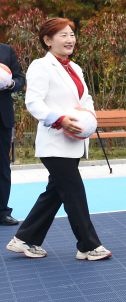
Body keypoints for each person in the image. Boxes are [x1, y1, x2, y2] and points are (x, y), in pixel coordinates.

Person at [5, 18, 111, 260]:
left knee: (55, 192)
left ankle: (24, 239)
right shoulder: (40, 67)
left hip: (74, 141)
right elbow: (33, 102)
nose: (70, 39)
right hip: (54, 143)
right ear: (47, 41)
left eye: (71, 34)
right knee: (74, 192)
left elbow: (86, 100)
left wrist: (90, 119)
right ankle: (88, 245)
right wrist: (59, 120)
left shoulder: (76, 68)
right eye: (63, 35)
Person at [0, 42, 25, 226]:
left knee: (2, 166)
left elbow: (20, 79)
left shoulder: (6, 50)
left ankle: (2, 212)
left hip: (2, 118)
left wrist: (11, 84)